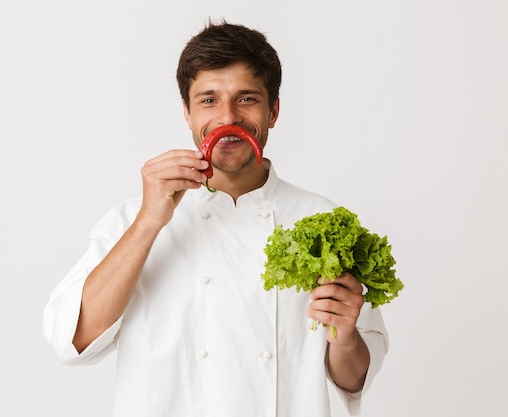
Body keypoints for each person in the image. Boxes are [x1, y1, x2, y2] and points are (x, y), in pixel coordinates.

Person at [43, 21, 388, 417]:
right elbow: (71, 341)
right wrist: (149, 222)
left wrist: (344, 340)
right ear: (187, 114)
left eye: (246, 99)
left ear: (273, 111)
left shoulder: (323, 222)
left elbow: (355, 377)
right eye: (208, 100)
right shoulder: (132, 221)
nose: (228, 118)